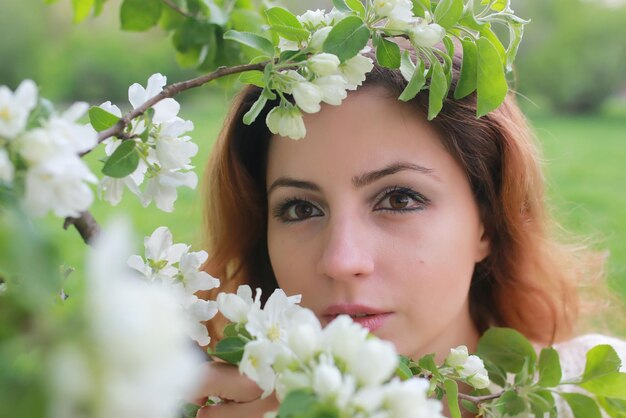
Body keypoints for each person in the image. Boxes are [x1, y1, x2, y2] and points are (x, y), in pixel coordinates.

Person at [193, 51, 626, 417]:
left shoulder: (594, 392)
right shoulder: (211, 403)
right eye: (301, 208)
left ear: (487, 222)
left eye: (399, 200)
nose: (341, 260)